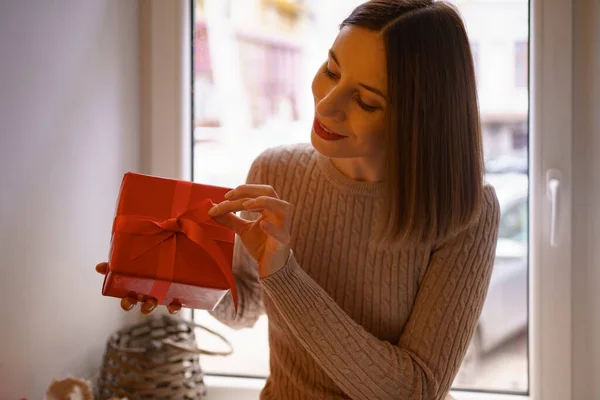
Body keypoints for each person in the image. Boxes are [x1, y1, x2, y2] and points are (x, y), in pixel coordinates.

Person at [96, 0, 500, 398]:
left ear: (420, 118)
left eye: (365, 101)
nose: (326, 104)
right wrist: (174, 280)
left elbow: (416, 389)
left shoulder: (467, 212)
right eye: (331, 70)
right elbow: (247, 306)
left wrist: (285, 275)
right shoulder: (275, 172)